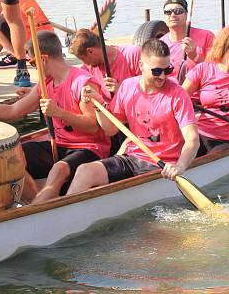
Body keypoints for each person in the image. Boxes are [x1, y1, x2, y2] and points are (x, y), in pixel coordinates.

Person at [0, 31, 110, 204]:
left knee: (59, 169)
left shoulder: (82, 83)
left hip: (90, 147)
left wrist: (60, 113)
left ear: (43, 59)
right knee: (11, 159)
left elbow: (93, 126)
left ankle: (37, 209)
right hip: (61, 144)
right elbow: (13, 111)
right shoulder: (45, 84)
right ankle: (35, 204)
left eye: (32, 62)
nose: (33, 67)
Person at [66, 39, 200, 194]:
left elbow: (192, 139)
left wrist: (180, 166)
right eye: (156, 71)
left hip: (163, 165)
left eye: (167, 70)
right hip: (133, 158)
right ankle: (62, 214)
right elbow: (110, 130)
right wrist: (98, 105)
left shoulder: (178, 94)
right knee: (85, 170)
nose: (162, 77)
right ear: (141, 65)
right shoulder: (127, 86)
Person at [68, 28, 141, 96]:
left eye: (83, 58)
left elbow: (150, 93)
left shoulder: (133, 55)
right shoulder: (87, 69)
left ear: (90, 51)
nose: (85, 63)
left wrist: (121, 91)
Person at [0, 0, 53, 68]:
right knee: (1, 24)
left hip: (35, 38)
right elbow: (2, 31)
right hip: (48, 36)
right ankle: (14, 54)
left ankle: (16, 56)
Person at [160, 0, 214, 79]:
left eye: (178, 11)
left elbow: (215, 71)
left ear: (187, 15)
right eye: (168, 12)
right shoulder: (160, 44)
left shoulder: (207, 36)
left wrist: (195, 56)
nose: (173, 15)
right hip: (173, 88)